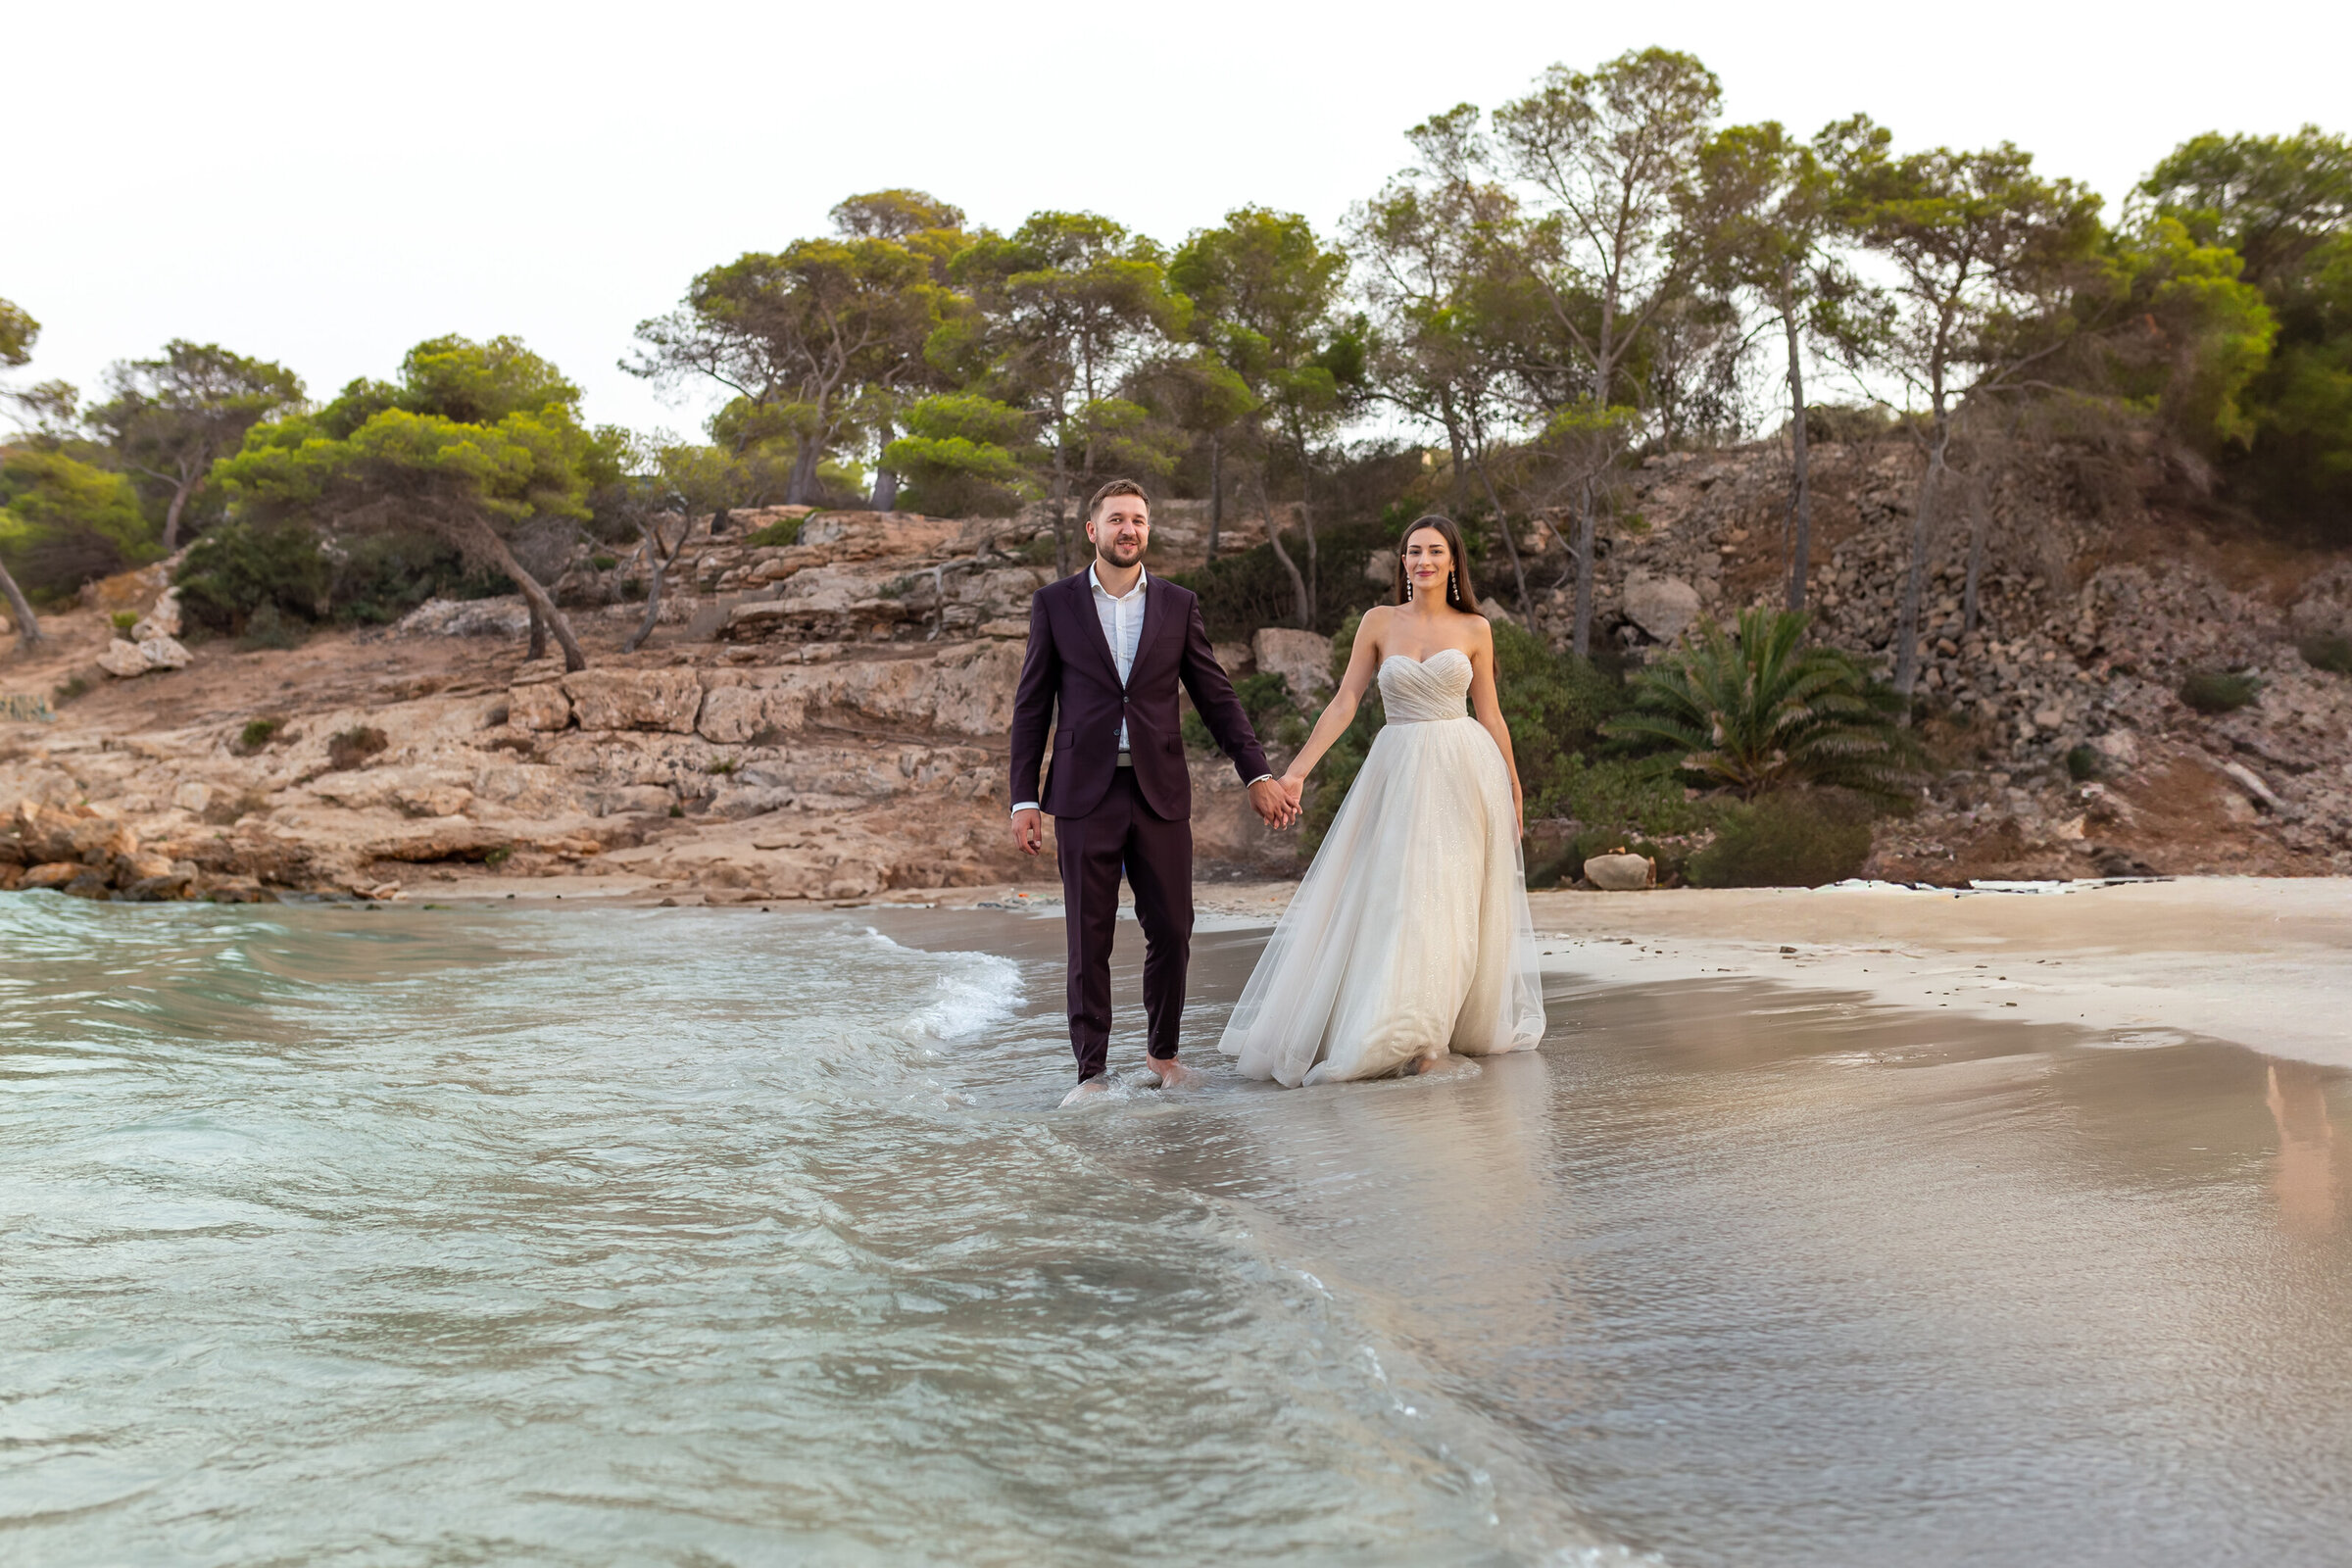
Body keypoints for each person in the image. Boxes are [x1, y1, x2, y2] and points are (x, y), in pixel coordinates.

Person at [1220, 514, 1544, 1086]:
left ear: (1452, 563)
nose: (1423, 560)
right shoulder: (1378, 622)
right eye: (1413, 551)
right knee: (1398, 895)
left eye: (1435, 551)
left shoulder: (1475, 628)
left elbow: (1490, 714)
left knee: (1447, 898)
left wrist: (1513, 786)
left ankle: (1428, 1035)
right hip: (1395, 769)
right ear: (1403, 561)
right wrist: (1295, 773)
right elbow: (1346, 702)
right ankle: (1390, 1023)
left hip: (1464, 771)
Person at [1009, 479, 1297, 1106]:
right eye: (1116, 519)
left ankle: (1162, 1056)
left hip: (1159, 791)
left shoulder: (1175, 604)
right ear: (1093, 530)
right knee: (1089, 937)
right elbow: (1032, 707)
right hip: (1082, 792)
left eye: (1138, 520)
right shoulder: (1054, 604)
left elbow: (1216, 697)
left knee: (1173, 925)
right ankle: (1090, 1075)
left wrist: (1257, 773)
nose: (1128, 530)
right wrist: (1024, 799)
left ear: (1148, 530)